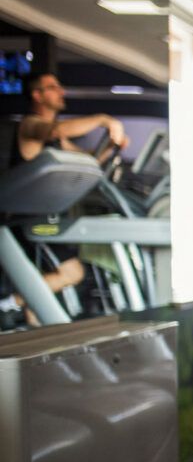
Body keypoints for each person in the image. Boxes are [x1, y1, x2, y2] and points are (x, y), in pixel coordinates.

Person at [5, 72, 130, 324]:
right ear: (37, 95)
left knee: (42, 289)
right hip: (30, 221)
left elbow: (90, 161)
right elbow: (55, 129)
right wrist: (104, 120)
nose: (61, 92)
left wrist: (111, 148)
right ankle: (8, 303)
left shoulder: (59, 139)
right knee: (73, 272)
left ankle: (33, 328)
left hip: (50, 217)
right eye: (53, 87)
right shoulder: (31, 125)